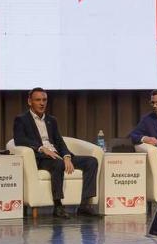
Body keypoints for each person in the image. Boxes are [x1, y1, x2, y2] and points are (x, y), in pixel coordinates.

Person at [12, 88, 99, 218]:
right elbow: (19, 139)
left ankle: (84, 205)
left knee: (91, 162)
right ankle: (58, 206)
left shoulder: (51, 120)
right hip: (41, 158)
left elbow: (59, 141)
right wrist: (41, 148)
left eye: (44, 100)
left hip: (57, 156)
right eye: (38, 100)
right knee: (58, 164)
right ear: (30, 102)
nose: (42, 103)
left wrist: (67, 156)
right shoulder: (21, 119)